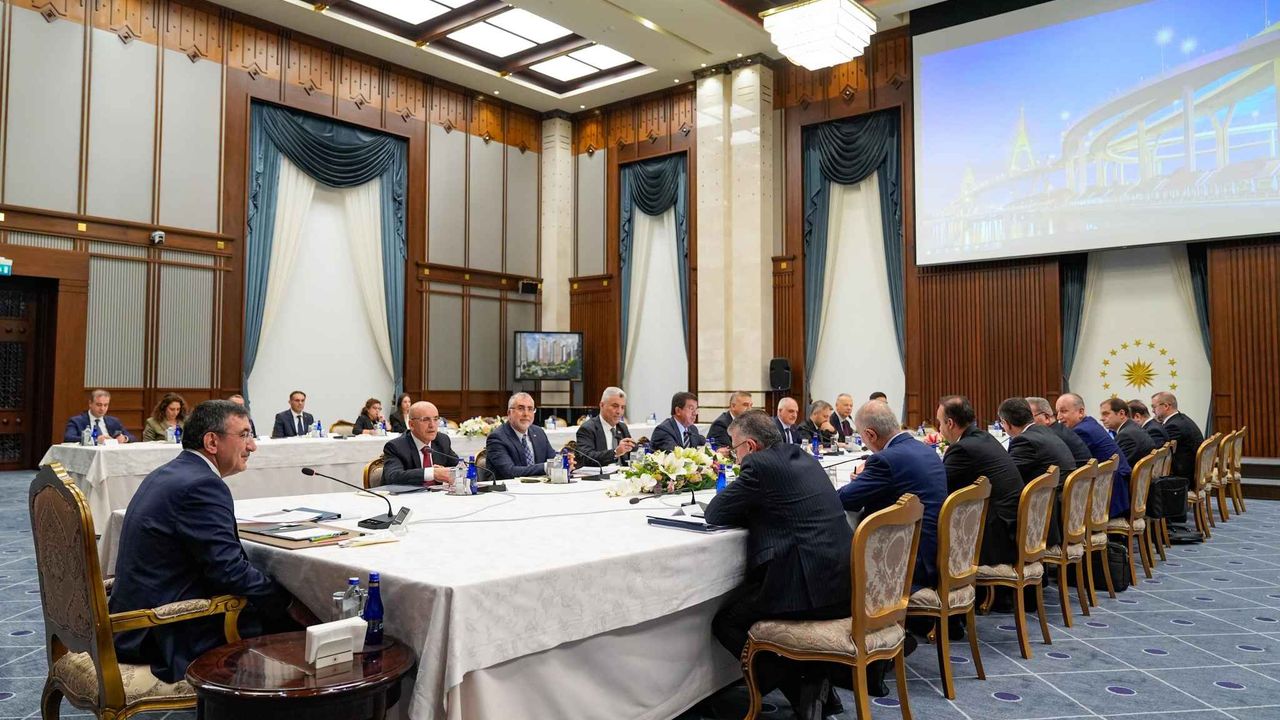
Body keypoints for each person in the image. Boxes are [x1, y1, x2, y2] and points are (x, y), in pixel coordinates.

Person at [109, 400, 317, 683]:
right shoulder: (202, 485)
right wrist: (292, 602)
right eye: (244, 435)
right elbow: (229, 572)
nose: (252, 446)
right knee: (299, 623)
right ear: (211, 442)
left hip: (136, 619)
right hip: (164, 632)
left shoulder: (171, 472)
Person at [706, 411, 851, 719]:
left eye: (735, 449)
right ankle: (815, 684)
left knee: (727, 622)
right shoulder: (803, 456)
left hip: (806, 588)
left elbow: (715, 512)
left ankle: (802, 687)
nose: (734, 456)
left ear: (750, 446)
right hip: (842, 584)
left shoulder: (759, 465)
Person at [839, 400, 945, 591]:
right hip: (936, 553)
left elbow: (845, 499)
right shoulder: (926, 450)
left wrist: (861, 480)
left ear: (871, 435)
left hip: (909, 563)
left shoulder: (885, 461)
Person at [936, 396, 1024, 568]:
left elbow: (940, 489)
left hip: (996, 538)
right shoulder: (984, 437)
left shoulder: (962, 449)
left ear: (950, 423)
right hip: (1013, 527)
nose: (939, 428)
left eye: (940, 422)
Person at [1056, 393, 1130, 518]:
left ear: (1080, 412)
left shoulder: (1081, 431)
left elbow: (1075, 466)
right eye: (1057, 412)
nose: (1059, 417)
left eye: (1063, 411)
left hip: (1111, 496)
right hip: (1117, 489)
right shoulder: (1089, 423)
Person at [486, 392, 565, 479]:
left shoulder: (539, 432)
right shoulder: (497, 438)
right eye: (521, 408)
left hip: (540, 486)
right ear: (509, 413)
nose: (526, 414)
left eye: (530, 409)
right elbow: (509, 471)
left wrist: (563, 462)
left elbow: (552, 459)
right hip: (509, 486)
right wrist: (546, 467)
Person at [381, 401, 459, 486]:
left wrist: (447, 471)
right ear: (411, 425)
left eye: (435, 419)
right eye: (425, 420)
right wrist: (432, 473)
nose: (432, 425)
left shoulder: (442, 441)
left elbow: (458, 465)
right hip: (409, 494)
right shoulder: (396, 447)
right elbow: (393, 477)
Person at [1000, 398, 1075, 485]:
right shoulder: (1044, 430)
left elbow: (1009, 476)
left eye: (1002, 424)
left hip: (1050, 492)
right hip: (1062, 488)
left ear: (1006, 423)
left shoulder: (1024, 441)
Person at [575, 387, 636, 466]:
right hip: (600, 473)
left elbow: (632, 452)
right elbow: (586, 458)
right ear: (602, 405)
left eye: (622, 407)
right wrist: (615, 453)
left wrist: (634, 447)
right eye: (615, 406)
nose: (619, 412)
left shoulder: (622, 427)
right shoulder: (588, 428)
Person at [1152, 391, 1203, 482]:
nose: (1152, 411)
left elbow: (1158, 451)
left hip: (1183, 477)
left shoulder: (1174, 426)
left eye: (1154, 407)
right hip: (1192, 471)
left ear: (1166, 406)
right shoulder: (1181, 419)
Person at [1026, 397, 1090, 470]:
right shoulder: (1060, 430)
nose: (1059, 417)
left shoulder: (1049, 437)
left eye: (1029, 417)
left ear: (1046, 417)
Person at [63, 389, 136, 444]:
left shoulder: (114, 421)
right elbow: (68, 438)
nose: (102, 408)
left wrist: (124, 438)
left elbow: (132, 437)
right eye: (99, 405)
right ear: (90, 403)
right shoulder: (77, 421)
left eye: (105, 405)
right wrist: (95, 439)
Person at [1100, 398, 1155, 468]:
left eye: (1106, 414)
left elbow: (1118, 468)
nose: (1101, 419)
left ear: (1121, 414)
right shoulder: (1132, 428)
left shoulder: (1126, 435)